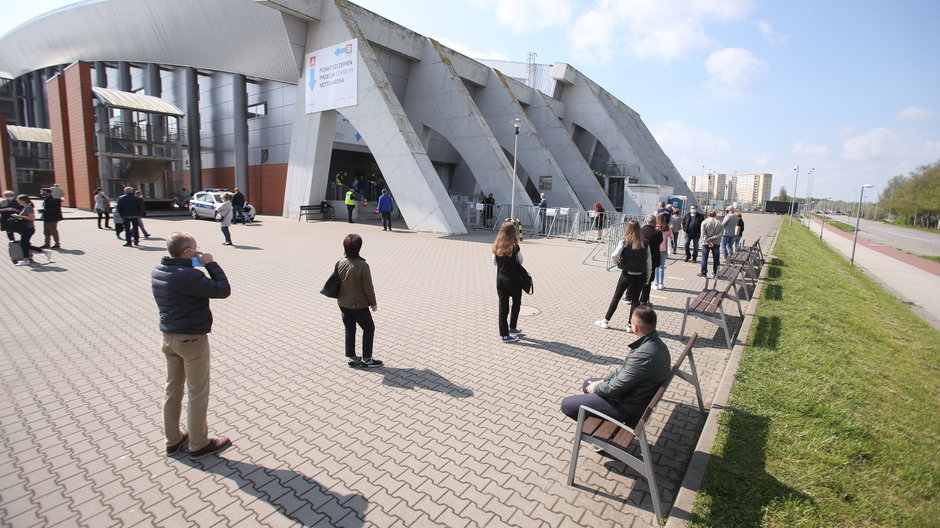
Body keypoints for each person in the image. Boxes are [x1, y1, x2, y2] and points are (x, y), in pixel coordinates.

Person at [151, 231, 232, 459]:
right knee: (197, 391)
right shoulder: (188, 275)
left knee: (172, 390)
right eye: (196, 250)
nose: (199, 253)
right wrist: (211, 264)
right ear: (187, 252)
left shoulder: (158, 270)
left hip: (168, 338)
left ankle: (173, 439)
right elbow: (222, 290)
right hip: (191, 340)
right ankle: (199, 443)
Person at [563, 306, 670, 427]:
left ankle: (600, 438)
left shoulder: (643, 354)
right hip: (638, 397)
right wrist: (604, 380)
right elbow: (625, 369)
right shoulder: (656, 343)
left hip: (629, 407)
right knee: (588, 383)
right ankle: (600, 418)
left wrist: (597, 388)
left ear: (635, 327)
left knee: (567, 405)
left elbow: (617, 387)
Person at [336, 234, 382, 367]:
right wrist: (373, 303)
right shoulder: (362, 265)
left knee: (349, 329)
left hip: (343, 303)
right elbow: (368, 287)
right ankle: (367, 359)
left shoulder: (340, 262)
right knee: (369, 328)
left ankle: (352, 357)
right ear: (359, 248)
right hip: (358, 304)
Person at [595, 219, 650, 332]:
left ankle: (606, 320)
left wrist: (618, 263)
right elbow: (649, 263)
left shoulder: (624, 241)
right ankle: (630, 325)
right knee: (635, 300)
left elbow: (614, 255)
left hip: (627, 273)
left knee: (617, 297)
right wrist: (648, 277)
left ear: (628, 229)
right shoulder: (645, 242)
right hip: (640, 274)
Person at [492, 222, 525, 343]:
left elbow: (494, 262)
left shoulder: (496, 246)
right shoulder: (514, 246)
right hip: (514, 280)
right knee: (516, 303)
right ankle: (513, 327)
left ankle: (504, 334)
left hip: (500, 280)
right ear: (513, 233)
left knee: (502, 307)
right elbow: (521, 261)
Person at [9, 195, 52, 266]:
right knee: (25, 244)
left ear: (23, 200)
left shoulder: (28, 208)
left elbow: (32, 218)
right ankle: (45, 252)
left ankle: (26, 260)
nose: (17, 201)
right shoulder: (26, 207)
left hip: (28, 228)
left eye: (18, 199)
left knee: (23, 244)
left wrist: (18, 216)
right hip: (26, 228)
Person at [638, 215, 663, 306]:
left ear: (646, 222)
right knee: (648, 280)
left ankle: (633, 297)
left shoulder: (639, 231)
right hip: (652, 259)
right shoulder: (657, 233)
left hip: (640, 258)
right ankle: (644, 300)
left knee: (638, 279)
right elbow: (660, 242)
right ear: (654, 223)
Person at [699, 210, 722, 278]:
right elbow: (720, 234)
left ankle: (704, 273)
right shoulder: (719, 223)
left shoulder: (704, 222)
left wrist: (708, 241)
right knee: (716, 258)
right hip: (716, 242)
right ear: (715, 216)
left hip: (706, 243)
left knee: (704, 258)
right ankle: (716, 273)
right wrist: (713, 238)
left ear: (707, 215)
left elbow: (703, 234)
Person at [653, 212, 672, 290]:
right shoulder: (667, 228)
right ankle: (661, 283)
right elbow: (672, 237)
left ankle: (655, 283)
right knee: (662, 267)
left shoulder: (655, 228)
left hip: (656, 248)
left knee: (655, 267)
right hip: (664, 249)